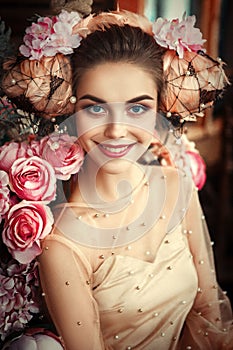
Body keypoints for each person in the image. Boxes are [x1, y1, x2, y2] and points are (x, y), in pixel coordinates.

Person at [1, 3, 233, 350]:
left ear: (158, 110)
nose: (116, 130)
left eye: (137, 108)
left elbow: (208, 312)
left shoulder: (176, 184)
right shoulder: (62, 246)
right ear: (71, 110)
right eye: (95, 108)